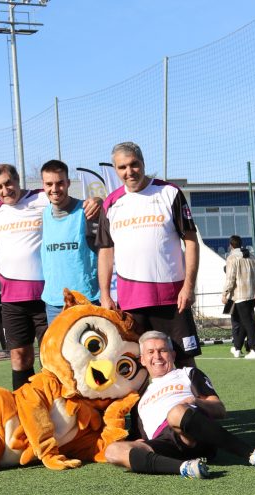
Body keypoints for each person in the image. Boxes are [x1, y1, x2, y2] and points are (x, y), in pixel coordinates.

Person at [104, 331, 255, 479]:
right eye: (151, 352)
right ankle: (185, 468)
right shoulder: (140, 397)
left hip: (192, 433)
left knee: (176, 412)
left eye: (162, 350)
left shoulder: (187, 373)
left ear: (173, 355)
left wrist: (196, 401)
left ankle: (253, 455)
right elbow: (140, 436)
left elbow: (220, 410)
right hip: (164, 444)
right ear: (142, 360)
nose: (157, 356)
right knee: (112, 451)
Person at [96, 142, 202, 367]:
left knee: (183, 360)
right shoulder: (111, 203)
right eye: (122, 167)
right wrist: (105, 294)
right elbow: (106, 251)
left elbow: (191, 242)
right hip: (131, 301)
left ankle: (195, 403)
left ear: (143, 163)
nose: (129, 171)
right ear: (116, 169)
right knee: (135, 367)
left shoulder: (169, 193)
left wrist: (188, 286)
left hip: (172, 298)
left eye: (134, 164)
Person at [0, 163, 50, 389]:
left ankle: (60, 414)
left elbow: (72, 204)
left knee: (51, 358)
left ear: (18, 180)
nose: (5, 190)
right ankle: (26, 409)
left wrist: (95, 201)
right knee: (19, 357)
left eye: (8, 183)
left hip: (46, 297)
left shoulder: (43, 198)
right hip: (12, 300)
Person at [39, 159, 102, 326]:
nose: (54, 189)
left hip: (85, 299)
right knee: (59, 352)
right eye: (49, 184)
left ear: (67, 183)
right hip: (54, 302)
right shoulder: (44, 214)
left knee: (90, 351)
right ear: (43, 185)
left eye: (60, 183)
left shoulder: (87, 211)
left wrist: (100, 202)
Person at [221, 235, 255, 359]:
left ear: (231, 245)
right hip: (253, 293)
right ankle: (237, 348)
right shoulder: (252, 256)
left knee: (248, 323)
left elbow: (230, 278)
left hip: (241, 295)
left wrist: (225, 293)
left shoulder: (232, 258)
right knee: (244, 322)